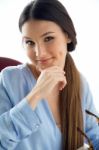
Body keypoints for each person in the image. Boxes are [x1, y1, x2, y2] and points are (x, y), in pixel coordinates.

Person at [0, 0, 99, 149]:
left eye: (48, 38)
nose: (39, 53)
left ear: (68, 36)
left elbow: (95, 137)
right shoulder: (9, 79)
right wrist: (37, 93)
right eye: (30, 42)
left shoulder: (80, 83)